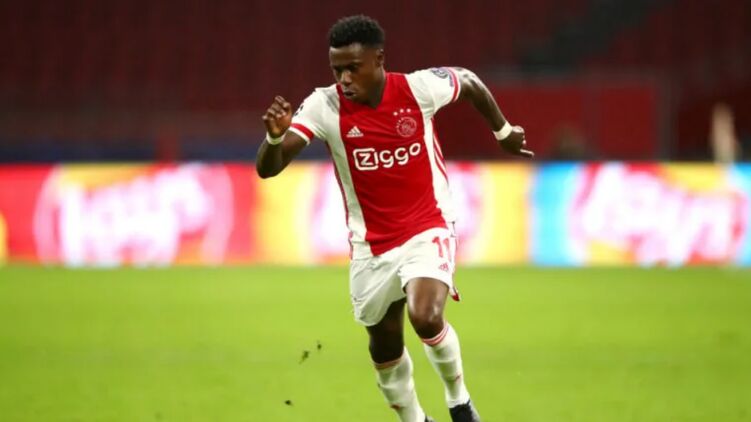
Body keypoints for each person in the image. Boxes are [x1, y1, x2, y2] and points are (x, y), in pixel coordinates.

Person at [256, 15, 533, 422]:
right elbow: (269, 168)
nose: (344, 79)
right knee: (384, 346)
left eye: (353, 68)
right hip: (370, 247)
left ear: (379, 59)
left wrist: (504, 132)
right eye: (337, 70)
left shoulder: (418, 89)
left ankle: (460, 403)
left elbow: (469, 81)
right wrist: (275, 137)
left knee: (426, 316)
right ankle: (415, 419)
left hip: (427, 226)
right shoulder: (324, 105)